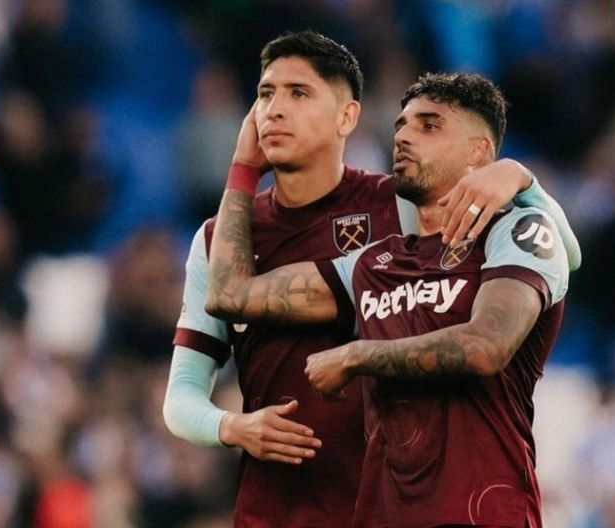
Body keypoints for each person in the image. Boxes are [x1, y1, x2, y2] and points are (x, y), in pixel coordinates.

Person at [164, 31, 580, 527]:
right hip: (278, 506)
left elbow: (562, 254)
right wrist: (231, 426)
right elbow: (198, 359)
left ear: (347, 117)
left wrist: (521, 178)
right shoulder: (221, 240)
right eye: (265, 94)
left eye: (299, 93)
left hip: (392, 498)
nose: (274, 110)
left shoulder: (399, 205)